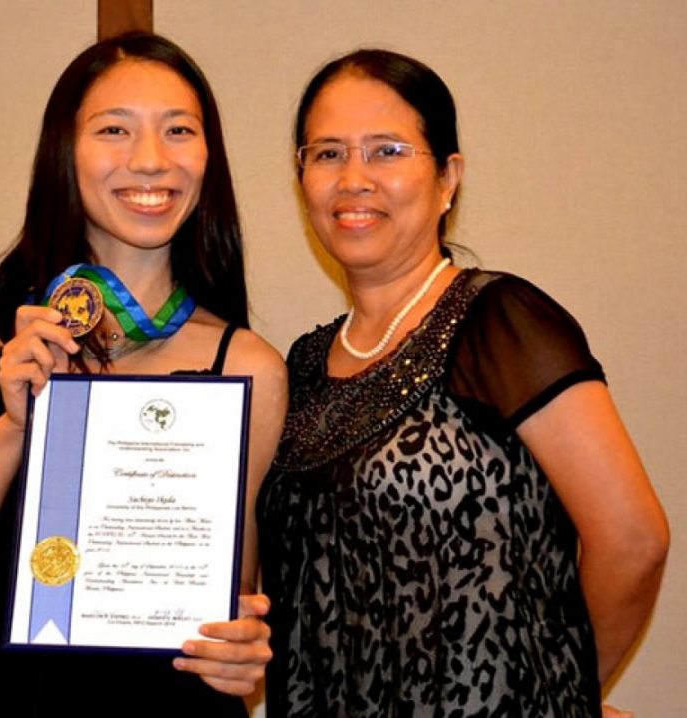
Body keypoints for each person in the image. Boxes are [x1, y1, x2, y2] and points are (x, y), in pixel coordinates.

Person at [256, 48, 668, 717]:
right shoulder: (298, 366)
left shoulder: (502, 321)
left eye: (387, 151)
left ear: (448, 178)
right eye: (327, 153)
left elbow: (633, 541)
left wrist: (563, 695)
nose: (354, 177)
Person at [0, 32, 287, 716]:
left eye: (179, 131)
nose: (150, 161)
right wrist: (15, 427)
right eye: (114, 130)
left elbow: (228, 598)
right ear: (63, 153)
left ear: (208, 156)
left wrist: (241, 647)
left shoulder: (248, 365)